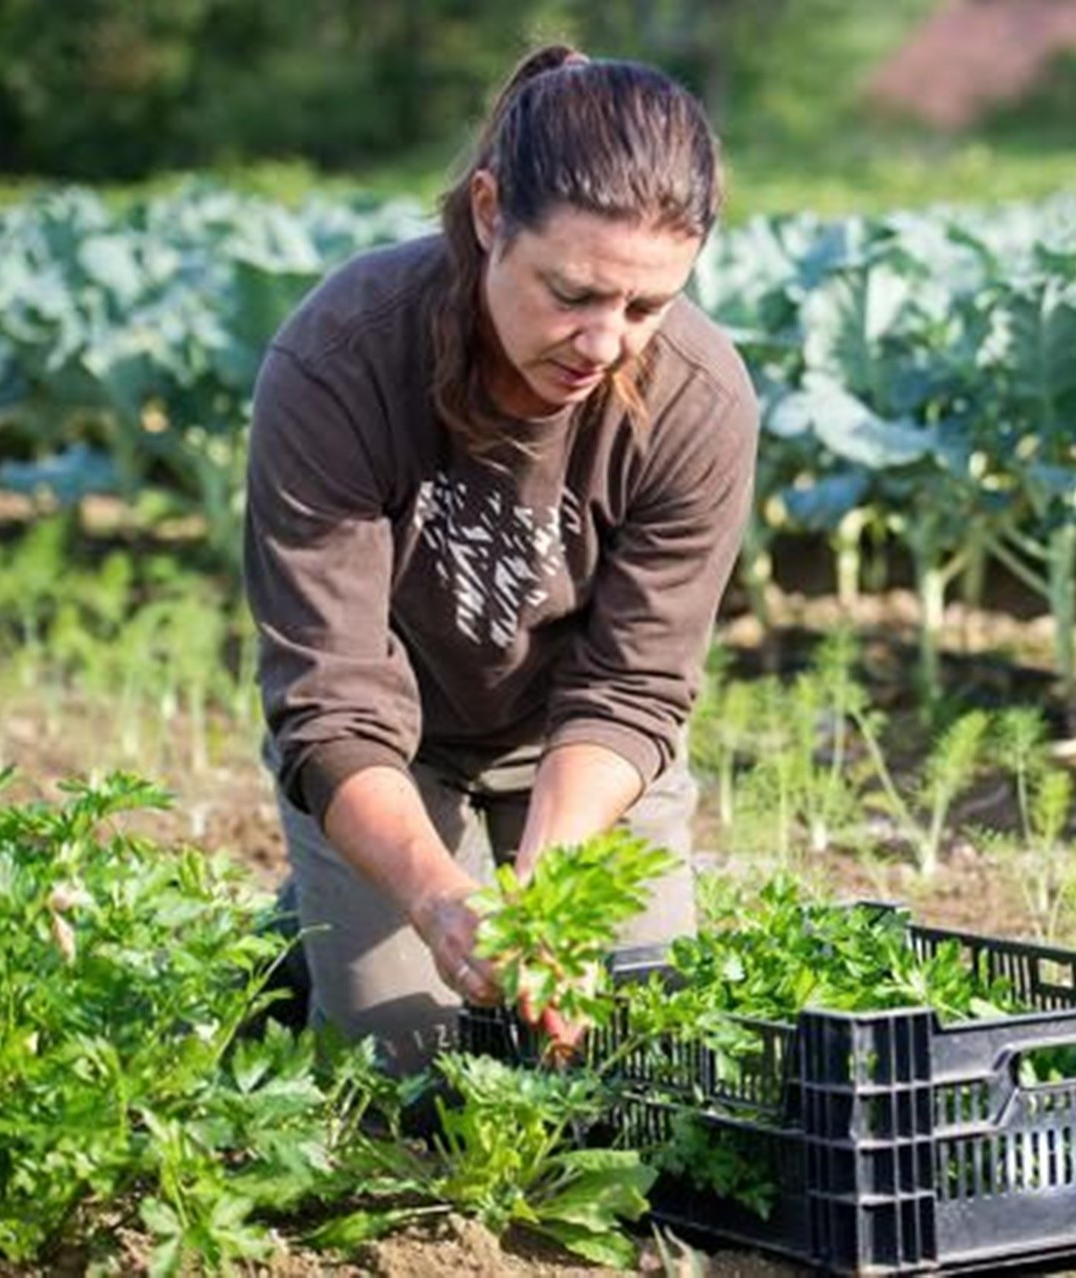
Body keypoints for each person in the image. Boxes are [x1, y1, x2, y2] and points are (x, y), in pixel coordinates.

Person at [244, 44, 758, 1075]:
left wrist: (542, 893)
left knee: (635, 1059)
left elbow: (634, 688)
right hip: (394, 750)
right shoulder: (344, 358)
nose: (604, 342)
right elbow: (332, 698)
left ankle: (343, 916)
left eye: (647, 307)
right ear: (489, 214)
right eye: (572, 293)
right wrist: (440, 903)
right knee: (408, 1073)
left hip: (580, 755)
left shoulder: (699, 399)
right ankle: (311, 936)